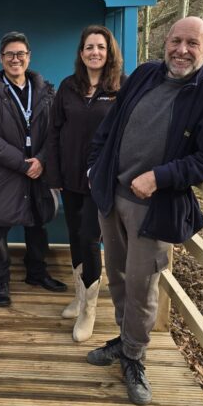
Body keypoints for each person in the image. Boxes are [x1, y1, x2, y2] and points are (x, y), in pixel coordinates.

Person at [85, 16, 203, 406]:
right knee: (116, 277)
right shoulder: (145, 75)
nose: (181, 50)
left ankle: (134, 357)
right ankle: (124, 340)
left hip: (153, 208)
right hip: (112, 196)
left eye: (191, 43)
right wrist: (94, 167)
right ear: (165, 42)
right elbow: (112, 124)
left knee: (141, 286)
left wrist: (161, 176)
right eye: (175, 41)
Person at [0, 31, 67, 308]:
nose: (16, 59)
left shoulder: (46, 91)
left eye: (20, 54)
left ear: (29, 57)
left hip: (38, 170)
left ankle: (37, 273)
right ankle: (0, 281)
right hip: (5, 171)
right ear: (1, 59)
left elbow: (56, 132)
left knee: (38, 224)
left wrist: (41, 160)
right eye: (10, 55)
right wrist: (23, 164)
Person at [46, 25, 124, 342]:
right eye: (89, 47)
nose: (95, 52)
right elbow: (53, 132)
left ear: (109, 52)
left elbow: (127, 136)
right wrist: (55, 175)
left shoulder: (121, 88)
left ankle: (90, 309)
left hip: (100, 180)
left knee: (90, 238)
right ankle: (80, 297)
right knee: (76, 238)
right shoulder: (69, 87)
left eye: (100, 47)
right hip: (70, 178)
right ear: (81, 53)